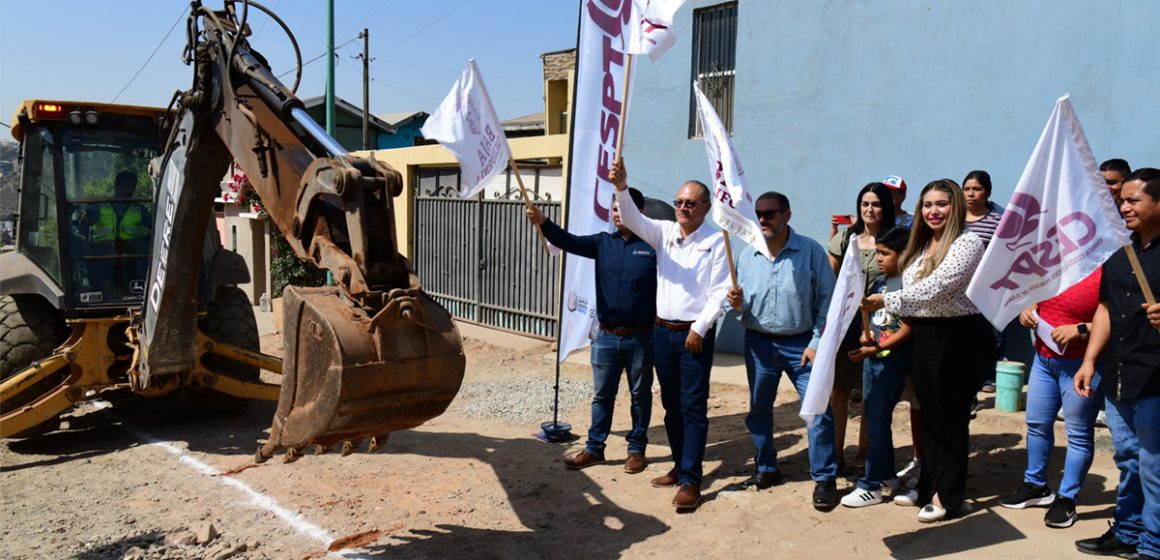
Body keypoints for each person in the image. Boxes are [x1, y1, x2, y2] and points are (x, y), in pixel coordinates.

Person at [863, 179, 992, 523]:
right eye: (927, 205)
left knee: (951, 420)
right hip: (924, 335)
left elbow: (938, 287)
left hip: (958, 337)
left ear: (956, 208)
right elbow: (911, 283)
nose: (933, 211)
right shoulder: (921, 245)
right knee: (931, 417)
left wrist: (888, 300)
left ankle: (947, 496)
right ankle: (927, 487)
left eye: (941, 204)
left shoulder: (968, 242)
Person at [610, 158, 730, 511]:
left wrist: (700, 328)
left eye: (690, 203)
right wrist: (621, 186)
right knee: (671, 406)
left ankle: (692, 480)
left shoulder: (716, 241)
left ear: (705, 207)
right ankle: (680, 467)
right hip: (663, 333)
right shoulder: (664, 233)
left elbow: (720, 291)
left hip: (693, 336)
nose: (682, 208)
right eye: (679, 202)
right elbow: (632, 218)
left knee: (693, 408)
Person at [525, 188, 657, 475]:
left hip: (641, 338)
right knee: (602, 396)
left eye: (624, 208)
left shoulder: (653, 246)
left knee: (640, 396)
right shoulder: (602, 244)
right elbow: (566, 241)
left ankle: (636, 450)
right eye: (614, 209)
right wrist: (543, 222)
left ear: (639, 212)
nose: (617, 214)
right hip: (606, 337)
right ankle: (595, 448)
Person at [724, 191, 841, 510]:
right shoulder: (747, 255)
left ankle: (824, 477)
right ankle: (766, 468)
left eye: (769, 214)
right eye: (759, 214)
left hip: (802, 344)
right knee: (759, 409)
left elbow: (827, 303)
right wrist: (735, 306)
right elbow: (737, 306)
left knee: (817, 410)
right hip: (759, 345)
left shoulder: (811, 252)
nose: (762, 219)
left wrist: (817, 343)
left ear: (786, 215)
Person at [1074, 168, 1160, 559]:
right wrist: (1089, 360)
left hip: (1156, 378)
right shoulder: (1120, 250)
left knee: (1154, 466)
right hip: (1119, 373)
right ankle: (1128, 530)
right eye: (1121, 200)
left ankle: (1153, 545)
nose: (1123, 207)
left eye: (1133, 200)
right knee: (1126, 459)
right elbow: (1105, 307)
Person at [999, 267, 1103, 529]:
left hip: (1081, 363)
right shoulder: (1059, 261)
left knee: (1078, 433)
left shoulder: (1108, 265)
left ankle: (1067, 499)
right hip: (1044, 358)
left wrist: (1081, 329)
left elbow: (1120, 316)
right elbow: (1038, 298)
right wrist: (1028, 312)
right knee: (1036, 424)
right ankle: (1036, 486)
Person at [827, 183, 896, 475]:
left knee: (871, 391)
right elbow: (830, 278)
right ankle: (836, 453)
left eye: (876, 204)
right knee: (839, 390)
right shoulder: (846, 238)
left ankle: (864, 453)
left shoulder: (896, 239)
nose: (870, 209)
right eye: (865, 204)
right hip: (846, 322)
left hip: (881, 324)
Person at [842, 225, 913, 507]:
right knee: (874, 421)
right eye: (878, 253)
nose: (879, 259)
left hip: (891, 362)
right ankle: (887, 475)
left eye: (885, 253)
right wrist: (865, 334)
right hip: (873, 359)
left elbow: (909, 329)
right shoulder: (880, 283)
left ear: (904, 255)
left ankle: (871, 485)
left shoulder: (908, 287)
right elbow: (872, 318)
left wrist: (878, 347)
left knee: (878, 421)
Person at [962, 169, 1005, 396]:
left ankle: (988, 377)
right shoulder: (955, 219)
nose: (971, 194)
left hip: (989, 288)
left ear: (987, 192)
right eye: (967, 189)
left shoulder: (998, 221)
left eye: (976, 189)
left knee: (991, 335)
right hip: (959, 289)